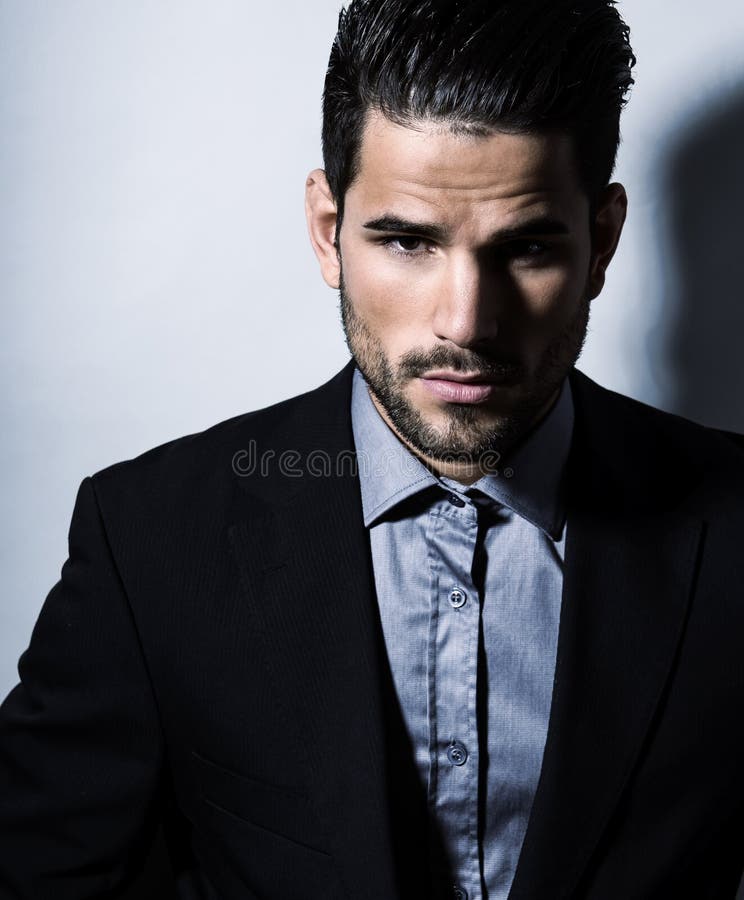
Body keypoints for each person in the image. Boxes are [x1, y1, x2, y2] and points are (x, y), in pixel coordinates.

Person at [1, 0, 744, 898]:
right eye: (406, 241)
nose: (465, 322)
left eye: (529, 248)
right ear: (329, 232)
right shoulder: (150, 540)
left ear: (602, 242)